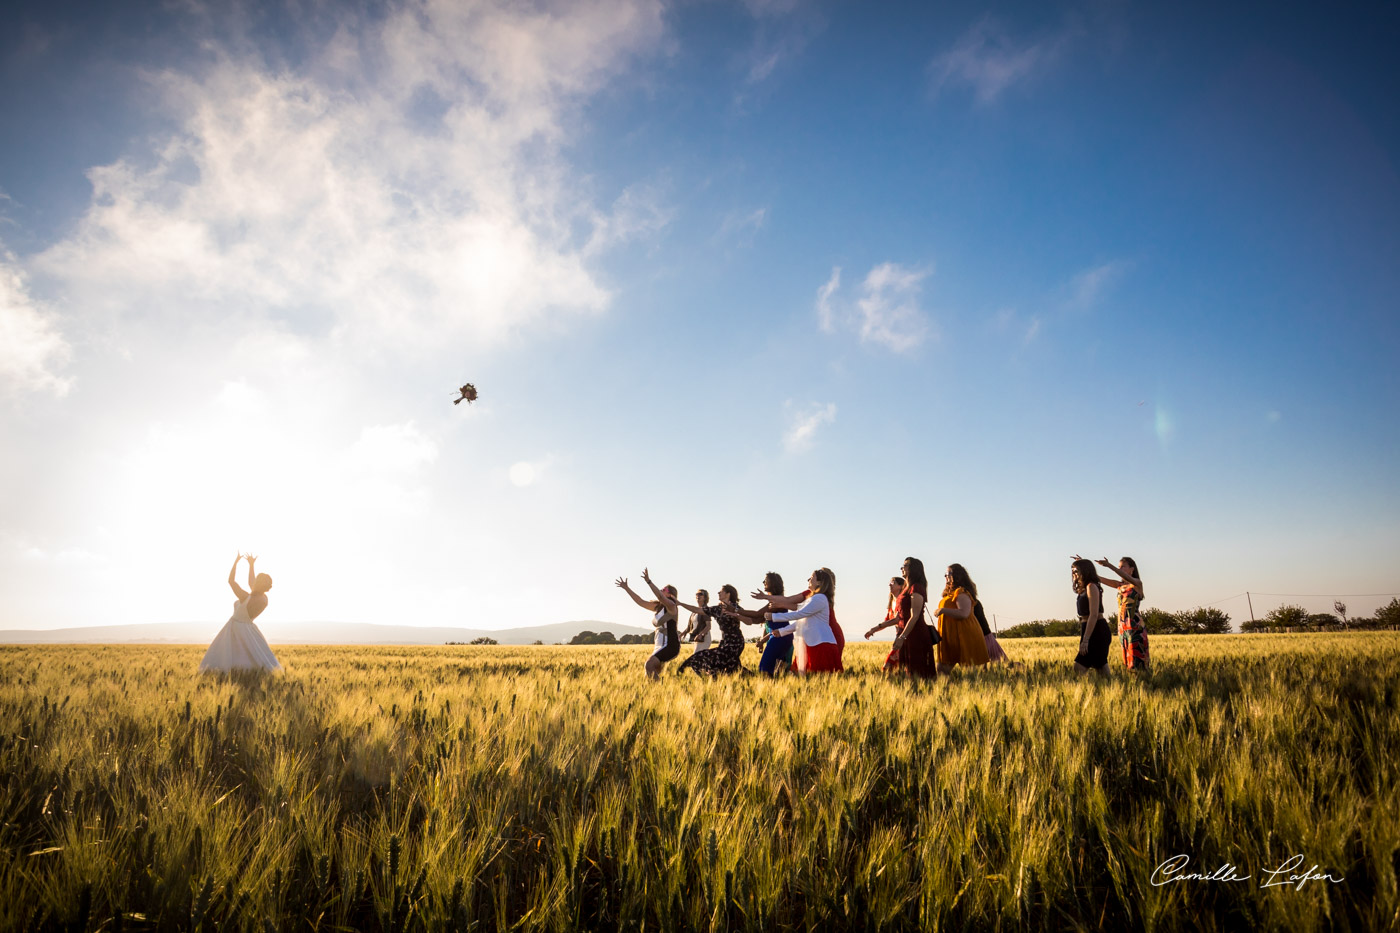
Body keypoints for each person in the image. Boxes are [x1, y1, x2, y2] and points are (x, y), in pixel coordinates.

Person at [199, 554, 281, 673]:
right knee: (253, 656)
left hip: (234, 628)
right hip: (249, 629)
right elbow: (252, 583)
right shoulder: (263, 598)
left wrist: (236, 562)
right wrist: (251, 565)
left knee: (228, 656)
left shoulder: (245, 597)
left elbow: (231, 581)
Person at [866, 559, 936, 677]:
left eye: (905, 565)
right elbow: (899, 618)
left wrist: (902, 636)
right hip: (906, 636)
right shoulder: (907, 589)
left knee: (918, 673)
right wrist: (875, 628)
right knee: (907, 674)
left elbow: (915, 616)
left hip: (915, 635)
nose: (901, 568)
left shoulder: (916, 588)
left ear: (913, 568)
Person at [763, 568, 842, 673]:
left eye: (812, 578)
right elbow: (802, 621)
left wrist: (774, 617)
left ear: (819, 582)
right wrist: (782, 631)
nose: (808, 580)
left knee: (819, 680)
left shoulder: (820, 598)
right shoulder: (813, 599)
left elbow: (799, 614)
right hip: (814, 644)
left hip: (821, 645)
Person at [616, 568, 680, 679]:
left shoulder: (671, 607)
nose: (661, 590)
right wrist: (627, 588)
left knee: (649, 665)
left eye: (664, 589)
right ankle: (657, 693)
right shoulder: (658, 607)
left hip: (670, 644)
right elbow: (640, 602)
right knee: (649, 673)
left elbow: (660, 596)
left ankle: (659, 690)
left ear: (670, 595)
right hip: (659, 644)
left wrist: (648, 581)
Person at [1090, 555, 1150, 674]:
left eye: (1123, 567)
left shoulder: (1137, 584)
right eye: (1119, 567)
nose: (1120, 569)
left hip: (1134, 625)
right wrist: (1085, 566)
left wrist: (1110, 566)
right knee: (1127, 660)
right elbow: (1097, 578)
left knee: (1137, 659)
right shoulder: (1119, 586)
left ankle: (1144, 683)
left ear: (1132, 569)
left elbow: (1126, 577)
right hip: (1122, 626)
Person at [675, 585, 747, 675]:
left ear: (728, 594)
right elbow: (697, 609)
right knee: (731, 669)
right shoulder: (717, 609)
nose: (718, 593)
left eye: (721, 591)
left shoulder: (735, 607)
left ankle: (713, 679)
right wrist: (680, 604)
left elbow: (749, 621)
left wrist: (736, 614)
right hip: (725, 642)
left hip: (735, 642)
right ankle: (757, 676)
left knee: (721, 668)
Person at [935, 563, 989, 672]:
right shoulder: (950, 593)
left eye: (948, 573)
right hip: (950, 637)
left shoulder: (961, 592)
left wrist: (943, 610)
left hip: (965, 635)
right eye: (945, 574)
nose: (945, 576)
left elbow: (964, 613)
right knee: (941, 671)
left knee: (972, 674)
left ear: (957, 575)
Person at [1071, 558, 1112, 676]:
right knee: (1100, 667)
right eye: (1073, 571)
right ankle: (1109, 689)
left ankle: (1106, 689)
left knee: (1079, 667)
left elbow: (1093, 615)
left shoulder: (1091, 587)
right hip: (1088, 627)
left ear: (1085, 571)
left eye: (1076, 571)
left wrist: (1086, 639)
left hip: (1097, 629)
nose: (1074, 574)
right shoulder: (1083, 588)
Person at [972, 599, 1010, 663]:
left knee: (1001, 663)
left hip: (981, 638)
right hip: (987, 636)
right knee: (1002, 663)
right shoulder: (975, 602)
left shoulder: (971, 602)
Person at [681, 589, 713, 653]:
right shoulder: (694, 612)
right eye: (697, 594)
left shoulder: (705, 610)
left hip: (704, 638)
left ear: (705, 597)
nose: (698, 596)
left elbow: (708, 626)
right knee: (699, 659)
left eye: (700, 594)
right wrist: (682, 634)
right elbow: (690, 627)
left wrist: (701, 634)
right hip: (697, 638)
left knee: (697, 657)